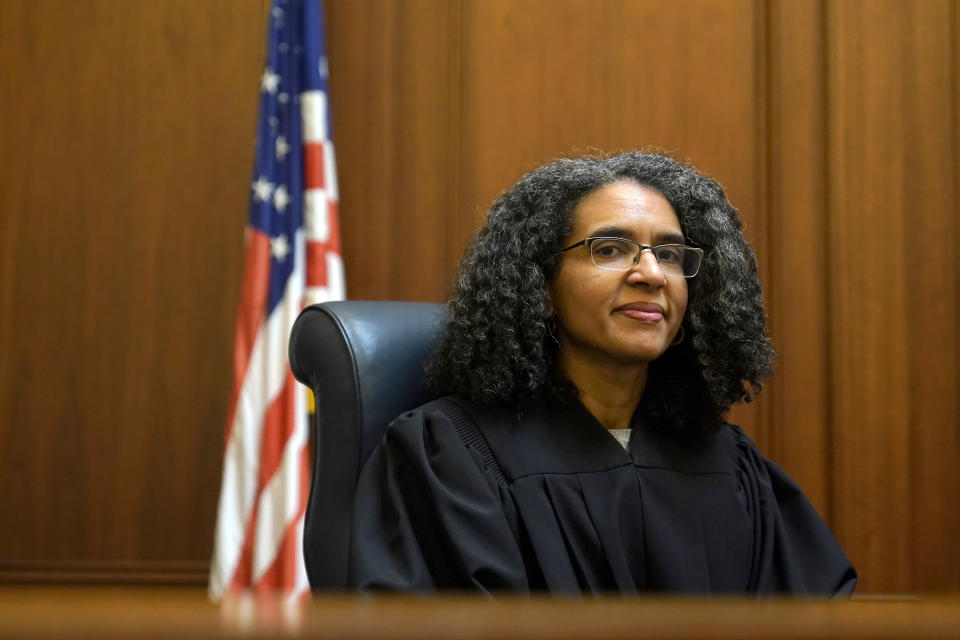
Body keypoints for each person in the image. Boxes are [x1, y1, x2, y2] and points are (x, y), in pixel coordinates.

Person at [348, 151, 857, 595]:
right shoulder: (451, 456)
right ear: (540, 286)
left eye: (671, 254)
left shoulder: (729, 464)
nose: (652, 274)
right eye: (610, 249)